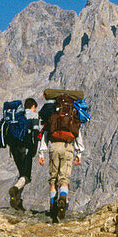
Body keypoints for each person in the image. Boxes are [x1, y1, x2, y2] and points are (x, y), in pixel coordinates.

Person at [36, 89, 85, 222]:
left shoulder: (53, 114)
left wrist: (41, 153)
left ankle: (53, 205)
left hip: (54, 146)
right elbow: (77, 134)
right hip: (67, 146)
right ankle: (63, 198)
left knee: (53, 178)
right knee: (64, 178)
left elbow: (45, 134)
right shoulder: (72, 115)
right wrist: (79, 153)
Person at [7, 97, 40, 211]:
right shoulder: (34, 116)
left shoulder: (16, 116)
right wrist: (35, 148)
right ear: (33, 107)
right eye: (35, 108)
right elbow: (36, 133)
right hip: (26, 149)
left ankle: (17, 201)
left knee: (22, 174)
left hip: (14, 148)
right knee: (27, 176)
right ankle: (15, 189)